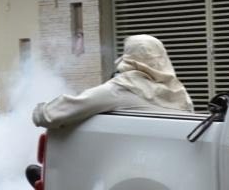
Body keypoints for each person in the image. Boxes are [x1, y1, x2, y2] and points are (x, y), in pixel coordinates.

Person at [32, 34, 194, 129]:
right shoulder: (179, 93)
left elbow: (54, 114)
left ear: (129, 57)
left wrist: (39, 112)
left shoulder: (120, 90)